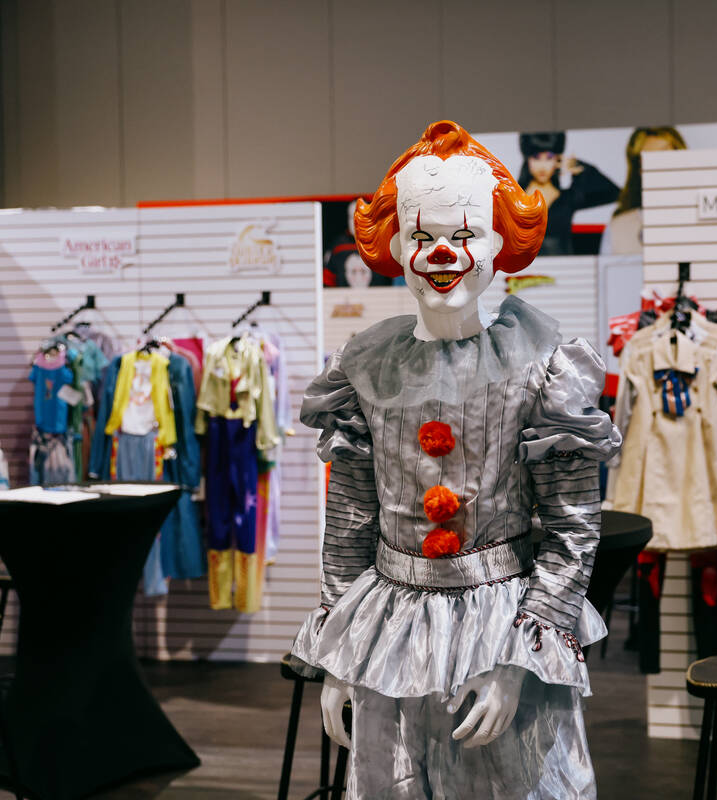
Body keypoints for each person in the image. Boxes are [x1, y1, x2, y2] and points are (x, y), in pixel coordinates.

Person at [288, 120, 621, 799]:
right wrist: (339, 657)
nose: (442, 252)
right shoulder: (366, 369)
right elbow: (349, 522)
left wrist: (517, 660)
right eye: (421, 235)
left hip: (503, 622)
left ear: (500, 242)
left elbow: (572, 528)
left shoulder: (542, 367)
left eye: (464, 234)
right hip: (390, 627)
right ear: (396, 245)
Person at [518, 131, 618, 256]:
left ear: (558, 159)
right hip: (522, 272)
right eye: (536, 157)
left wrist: (580, 167)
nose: (542, 166)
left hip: (564, 270)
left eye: (549, 157)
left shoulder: (568, 199)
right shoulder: (514, 198)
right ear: (528, 159)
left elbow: (613, 193)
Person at [601, 126, 686, 256]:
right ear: (639, 170)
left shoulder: (700, 222)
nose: (662, 168)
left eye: (667, 158)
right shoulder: (618, 228)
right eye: (651, 161)